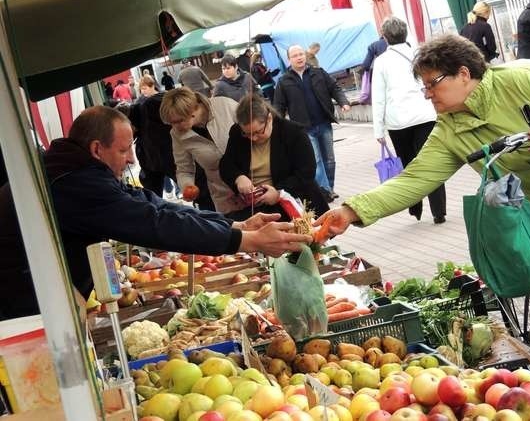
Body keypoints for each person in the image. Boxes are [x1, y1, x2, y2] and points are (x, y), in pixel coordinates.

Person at [315, 33, 530, 293]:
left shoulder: (520, 78)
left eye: (433, 83)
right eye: (424, 86)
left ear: (464, 74)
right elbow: (413, 180)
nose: (427, 93)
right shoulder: (449, 130)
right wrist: (351, 211)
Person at [0, 106, 311, 320]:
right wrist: (245, 241)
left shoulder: (73, 169)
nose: (131, 159)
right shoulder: (75, 183)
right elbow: (155, 223)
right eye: (123, 151)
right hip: (24, 306)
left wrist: (236, 226)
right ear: (96, 149)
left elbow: (151, 204)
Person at [372, 17, 445, 223]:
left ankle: (415, 206)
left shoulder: (381, 62)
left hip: (398, 122)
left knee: (409, 165)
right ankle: (439, 211)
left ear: (385, 37)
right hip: (426, 116)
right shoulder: (420, 54)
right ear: (406, 33)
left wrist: (379, 131)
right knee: (432, 162)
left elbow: (379, 98)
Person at [220, 95, 330, 221]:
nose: (253, 138)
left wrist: (279, 193)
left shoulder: (293, 133)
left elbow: (306, 173)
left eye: (258, 132)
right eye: (247, 134)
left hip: (295, 203)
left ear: (269, 118)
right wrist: (238, 177)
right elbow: (226, 164)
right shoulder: (237, 133)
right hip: (255, 207)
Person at [273, 45, 351, 202]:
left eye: (301, 54)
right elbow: (279, 107)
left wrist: (343, 102)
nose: (299, 57)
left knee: (329, 159)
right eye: (295, 55)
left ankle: (329, 187)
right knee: (315, 160)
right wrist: (277, 127)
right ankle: (324, 191)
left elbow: (335, 88)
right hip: (303, 129)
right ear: (289, 59)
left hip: (323, 123)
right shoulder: (284, 81)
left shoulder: (318, 73)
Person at [160, 87, 242, 214]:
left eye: (178, 121)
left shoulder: (224, 105)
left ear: (192, 110)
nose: (175, 126)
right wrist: (187, 186)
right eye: (171, 123)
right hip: (226, 198)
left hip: (256, 185)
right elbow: (184, 169)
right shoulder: (177, 134)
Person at [129, 75, 176, 198]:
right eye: (141, 89)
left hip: (150, 154)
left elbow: (134, 129)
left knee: (154, 193)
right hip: (170, 148)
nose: (143, 91)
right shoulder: (167, 98)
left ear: (152, 86)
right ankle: (175, 192)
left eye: (144, 88)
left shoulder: (139, 105)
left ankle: (171, 194)